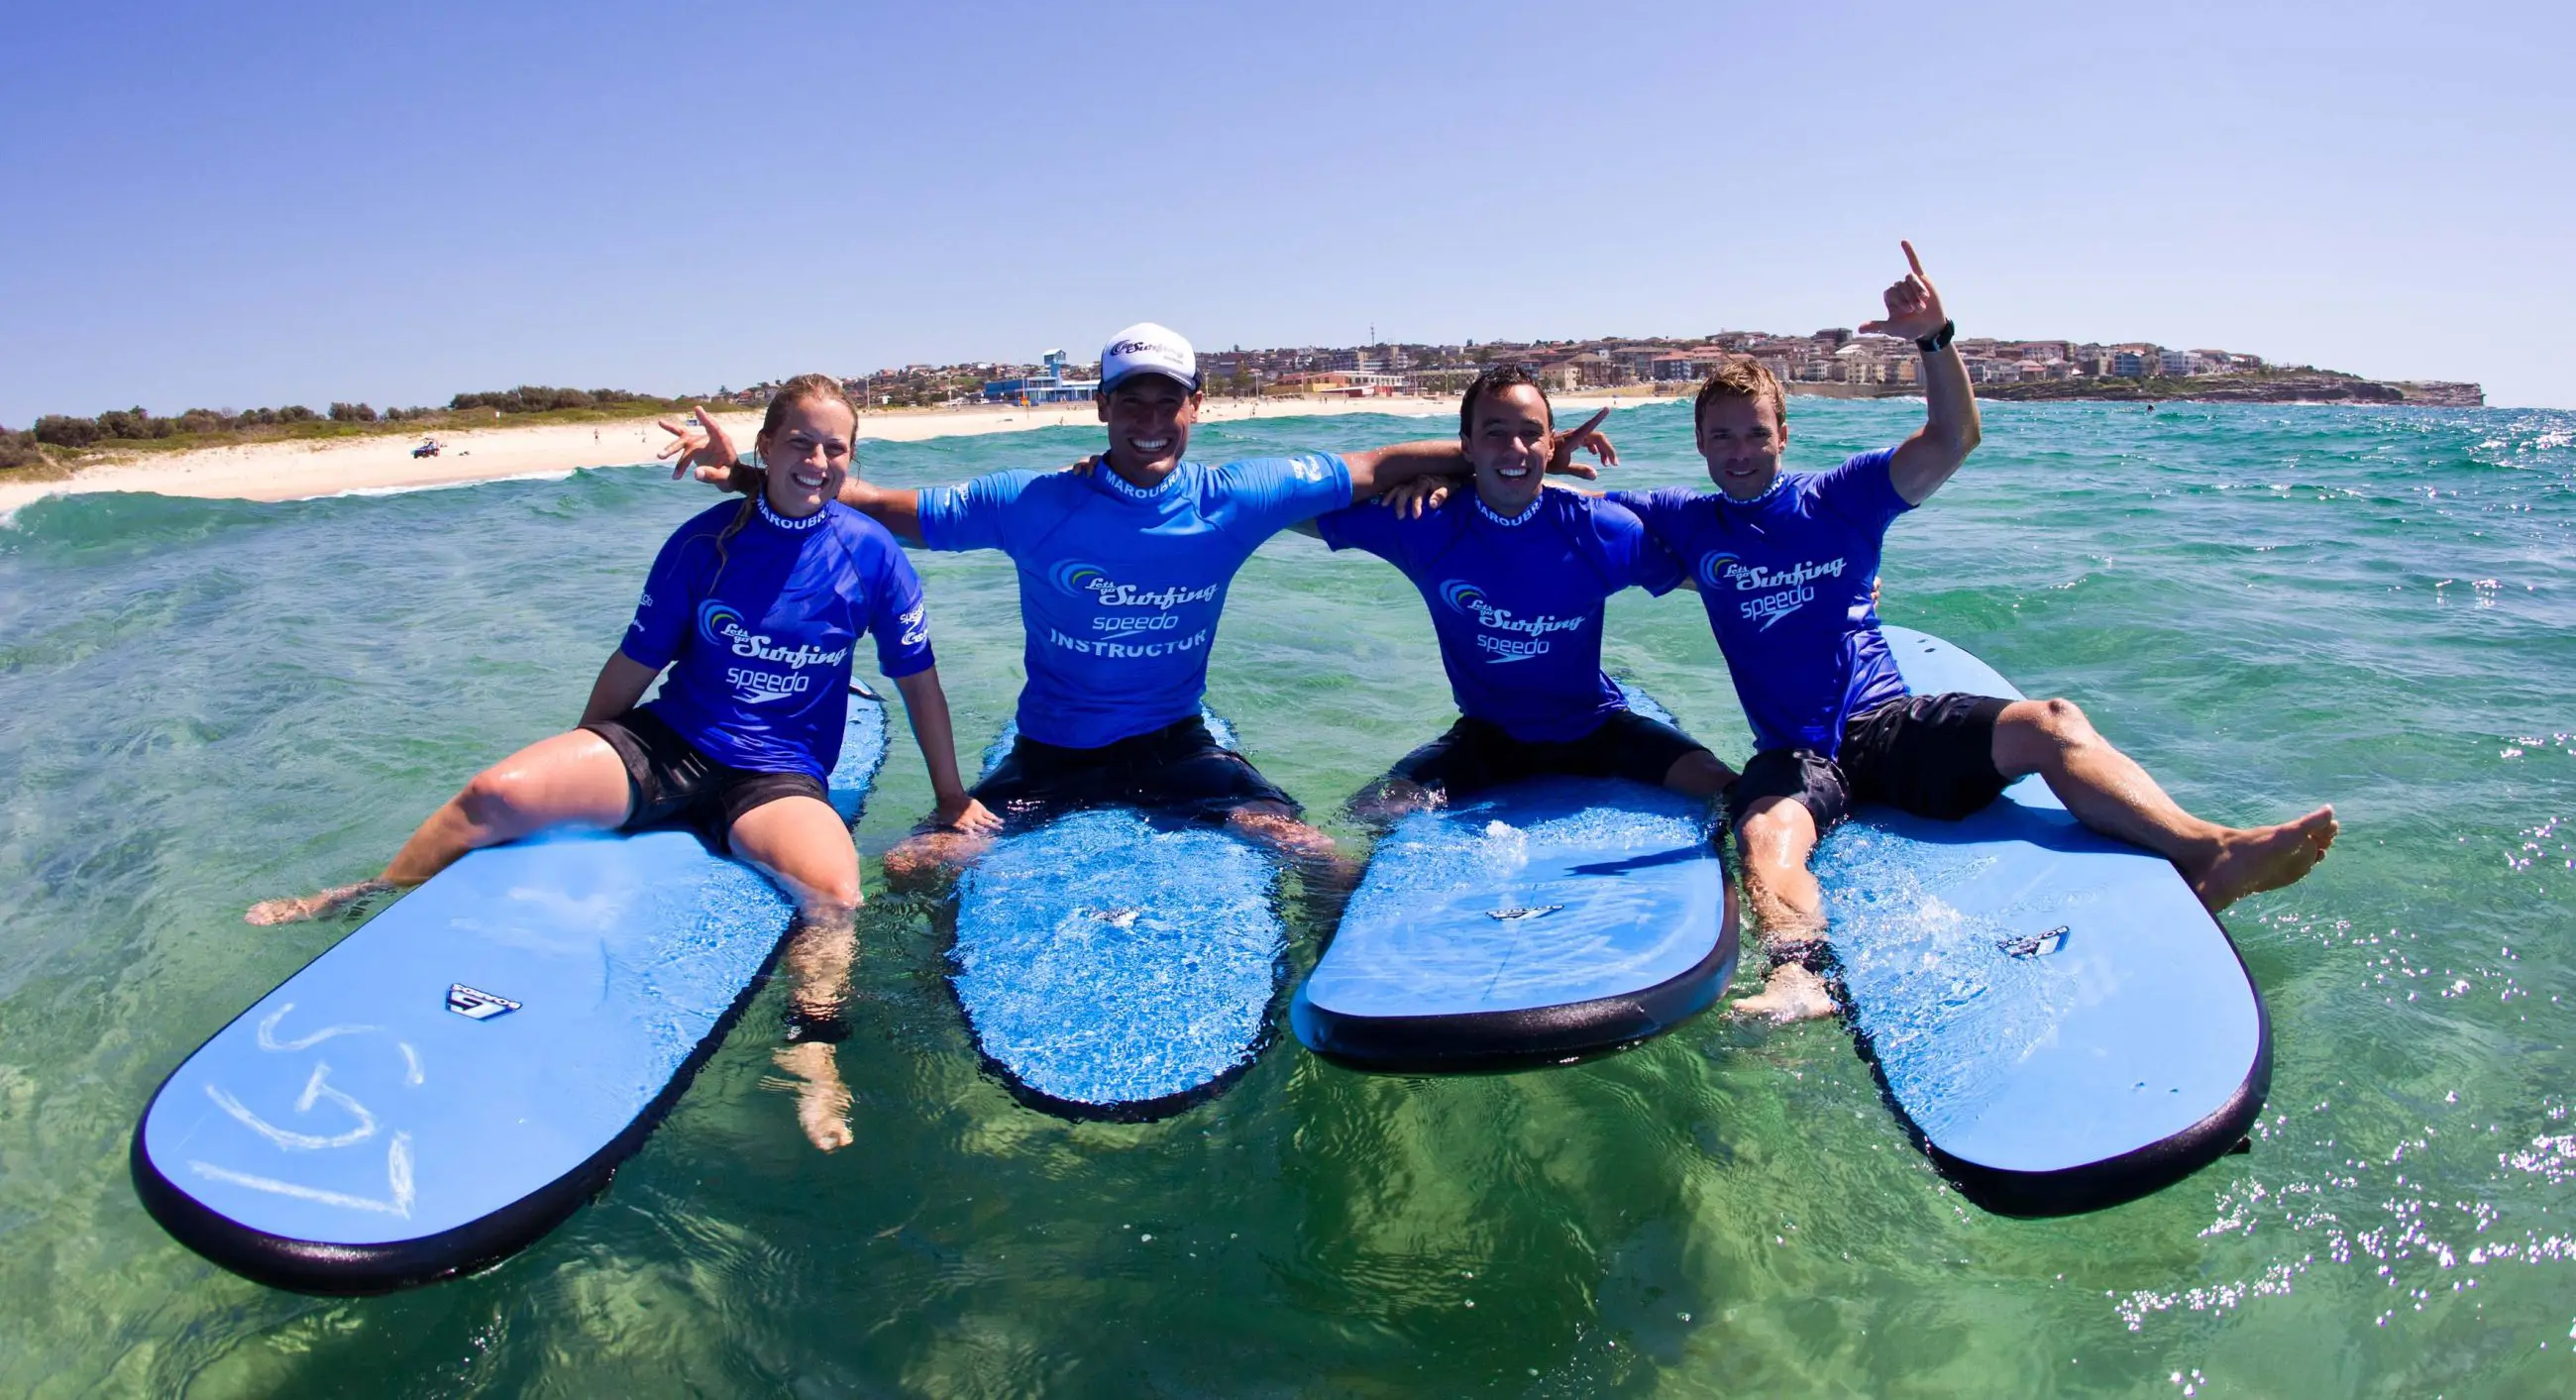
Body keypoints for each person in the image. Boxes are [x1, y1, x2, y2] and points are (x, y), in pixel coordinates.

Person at [248, 375, 996, 1149]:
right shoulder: (703, 543)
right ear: (764, 446)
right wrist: (583, 762)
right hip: (668, 743)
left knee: (837, 892)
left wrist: (949, 795)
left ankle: (811, 1044)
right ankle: (371, 890)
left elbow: (920, 681)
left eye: (833, 447)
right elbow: (636, 661)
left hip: (774, 775)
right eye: (799, 441)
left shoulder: (871, 556)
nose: (816, 458)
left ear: (850, 458)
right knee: (493, 792)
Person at [1605, 245, 2339, 1023]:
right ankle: (1798, 975)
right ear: (1700, 445)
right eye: (1721, 438)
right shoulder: (1686, 521)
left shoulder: (1840, 498)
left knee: (2052, 722)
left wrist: (1933, 337)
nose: (1739, 452)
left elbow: (1954, 438)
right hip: (1796, 754)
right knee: (1764, 831)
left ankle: (2207, 850)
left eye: (1753, 433)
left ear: (1783, 433)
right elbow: (1562, 519)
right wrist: (1518, 458)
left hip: (1885, 725)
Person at [661, 325, 1612, 885]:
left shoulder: (1236, 495)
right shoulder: (1036, 502)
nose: (1150, 421)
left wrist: (1506, 460)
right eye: (1131, 402)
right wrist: (744, 471)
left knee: (1317, 857)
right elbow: (881, 506)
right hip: (1054, 753)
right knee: (916, 870)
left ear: (1197, 406)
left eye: (1169, 402)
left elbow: (1373, 467)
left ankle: (1330, 1003)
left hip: (1177, 747)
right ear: (1102, 409)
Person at [1310, 365, 1736, 816]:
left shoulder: (1599, 530)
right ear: (1466, 447)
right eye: (1495, 433)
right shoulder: (1426, 523)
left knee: (1727, 789)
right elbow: (1295, 501)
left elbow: (1716, 580)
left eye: (1531, 433)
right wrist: (1437, 472)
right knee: (1366, 812)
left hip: (1595, 730)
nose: (1515, 447)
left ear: (1551, 445)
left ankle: (1734, 887)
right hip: (1488, 738)